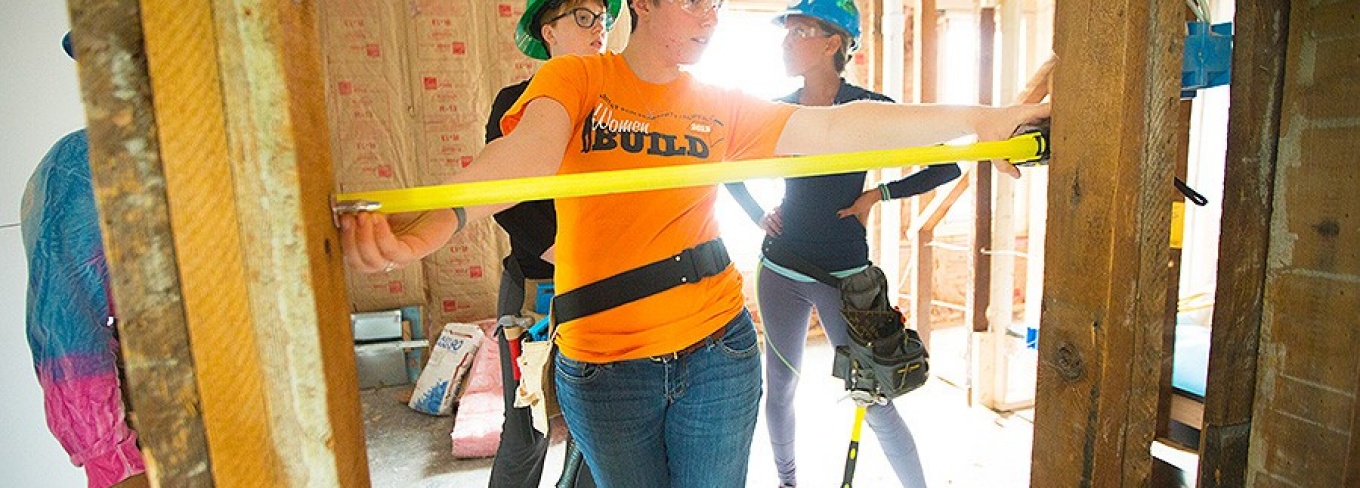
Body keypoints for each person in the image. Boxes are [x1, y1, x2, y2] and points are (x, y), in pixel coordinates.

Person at [338, 0, 1047, 484]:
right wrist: (438, 222)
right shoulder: (579, 77)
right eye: (691, 0)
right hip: (606, 364)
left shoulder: (718, 103)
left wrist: (988, 119)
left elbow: (836, 129)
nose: (709, 15)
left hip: (717, 349)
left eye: (715, 2)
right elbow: (526, 158)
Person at [731, 1, 957, 486]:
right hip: (781, 269)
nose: (786, 42)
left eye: (799, 32)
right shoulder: (779, 110)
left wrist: (880, 193)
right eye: (785, 33)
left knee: (878, 395)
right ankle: (788, 481)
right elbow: (724, 163)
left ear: (833, 43)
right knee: (781, 389)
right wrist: (756, 213)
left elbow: (947, 165)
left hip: (847, 279)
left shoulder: (867, 110)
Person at [485, 0, 619, 485]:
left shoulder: (614, 109)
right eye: (583, 17)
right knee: (527, 429)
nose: (598, 28)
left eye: (602, 18)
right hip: (536, 289)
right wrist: (563, 253)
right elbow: (501, 197)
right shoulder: (515, 103)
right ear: (549, 31)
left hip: (602, 291)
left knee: (594, 433)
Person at [21, 33, 148, 488]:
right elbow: (67, 331)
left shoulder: (221, 155)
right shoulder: (83, 166)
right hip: (158, 437)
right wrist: (116, 468)